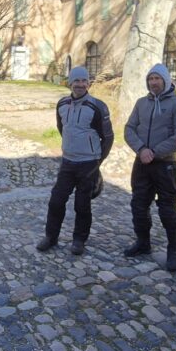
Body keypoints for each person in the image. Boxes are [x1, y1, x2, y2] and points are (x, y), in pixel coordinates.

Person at [36, 66, 114, 255]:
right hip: (68, 162)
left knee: (82, 204)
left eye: (83, 81)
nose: (80, 85)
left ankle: (79, 239)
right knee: (56, 201)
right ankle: (51, 237)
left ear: (88, 83)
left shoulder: (97, 106)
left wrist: (97, 161)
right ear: (70, 83)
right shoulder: (62, 104)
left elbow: (108, 137)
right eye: (76, 81)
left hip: (89, 164)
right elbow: (62, 128)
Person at [123, 63, 176, 271]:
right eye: (150, 79)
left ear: (165, 80)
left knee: (168, 209)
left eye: (157, 79)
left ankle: (173, 250)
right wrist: (141, 149)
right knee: (139, 205)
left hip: (165, 164)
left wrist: (155, 151)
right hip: (142, 163)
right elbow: (129, 128)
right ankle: (143, 242)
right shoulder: (142, 103)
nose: (153, 83)